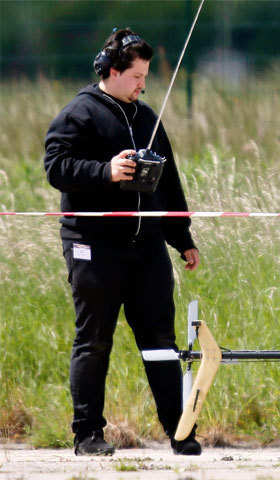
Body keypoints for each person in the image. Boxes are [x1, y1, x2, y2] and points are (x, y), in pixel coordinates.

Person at [43, 28, 201, 456]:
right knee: (94, 340)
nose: (142, 85)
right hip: (93, 248)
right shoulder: (80, 112)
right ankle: (88, 435)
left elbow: (168, 181)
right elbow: (56, 166)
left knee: (161, 342)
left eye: (145, 77)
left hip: (146, 249)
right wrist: (105, 172)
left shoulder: (147, 117)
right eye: (135, 77)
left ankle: (179, 431)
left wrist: (181, 236)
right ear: (112, 72)